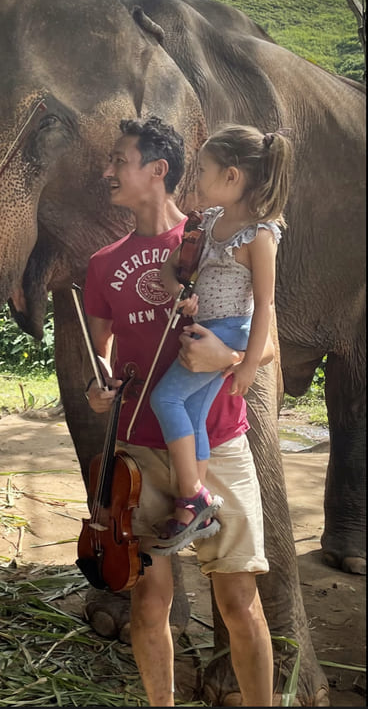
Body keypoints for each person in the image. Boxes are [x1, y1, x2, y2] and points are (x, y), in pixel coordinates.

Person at [83, 116, 275, 708]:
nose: (108, 171)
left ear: (157, 170)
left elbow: (266, 340)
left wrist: (231, 355)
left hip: (219, 442)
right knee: (148, 601)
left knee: (239, 602)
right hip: (140, 451)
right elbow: (102, 357)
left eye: (119, 160)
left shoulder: (211, 236)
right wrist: (100, 389)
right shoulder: (101, 263)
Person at [150, 124, 292, 553]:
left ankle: (193, 497)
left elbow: (266, 304)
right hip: (204, 325)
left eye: (204, 170)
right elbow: (167, 272)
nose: (197, 180)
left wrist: (247, 363)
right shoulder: (208, 222)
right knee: (191, 412)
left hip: (231, 329)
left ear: (232, 176)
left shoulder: (260, 234)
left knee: (166, 400)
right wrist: (181, 295)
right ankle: (193, 507)